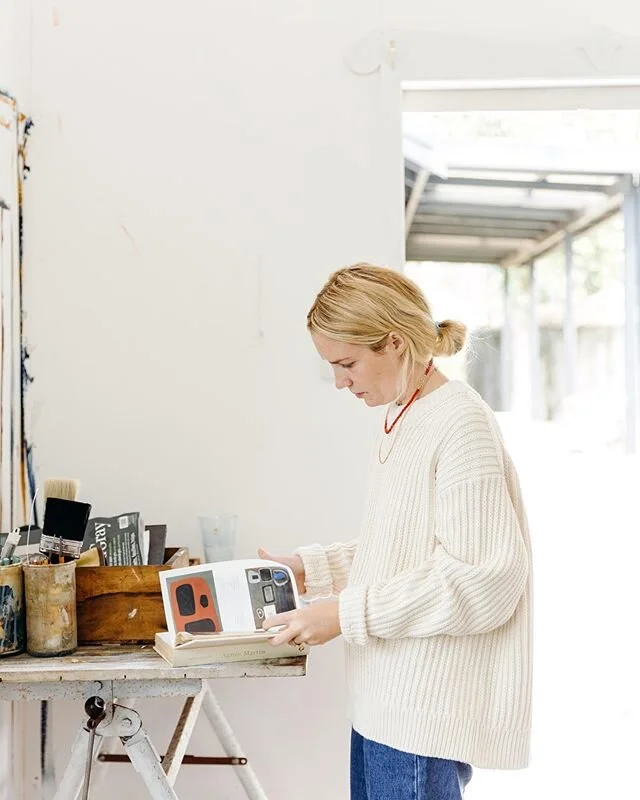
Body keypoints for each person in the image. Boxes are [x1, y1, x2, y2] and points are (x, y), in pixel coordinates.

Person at [259, 263, 532, 800]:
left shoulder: (458, 422)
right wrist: (310, 567)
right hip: (382, 704)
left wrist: (342, 613)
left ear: (395, 343)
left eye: (347, 363)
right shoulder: (405, 415)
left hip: (419, 715)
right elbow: (405, 544)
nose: (340, 381)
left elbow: (483, 578)